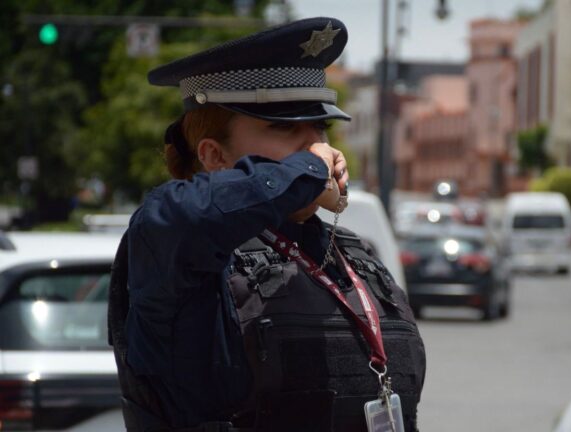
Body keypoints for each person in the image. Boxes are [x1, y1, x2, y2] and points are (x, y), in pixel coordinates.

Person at [108, 17, 426, 432]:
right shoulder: (180, 251)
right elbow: (183, 218)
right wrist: (308, 170)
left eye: (320, 128)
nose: (317, 146)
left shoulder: (352, 254)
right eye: (286, 128)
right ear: (214, 156)